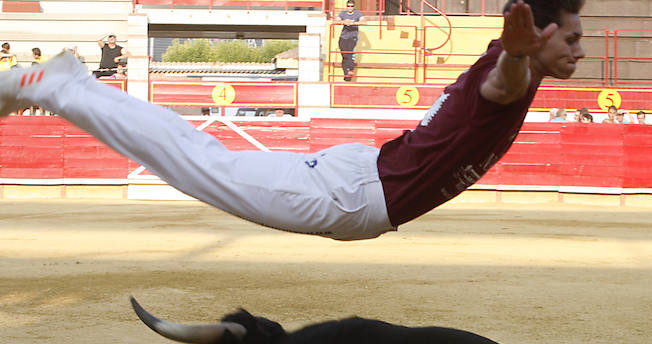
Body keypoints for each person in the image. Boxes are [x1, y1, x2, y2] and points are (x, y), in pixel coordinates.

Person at [0, 0, 585, 241]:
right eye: (574, 39)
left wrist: (516, 55)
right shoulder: (511, 71)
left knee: (196, 161)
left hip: (361, 180)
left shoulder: (516, 68)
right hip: (354, 196)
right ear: (541, 35)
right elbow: (500, 85)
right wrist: (516, 53)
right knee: (194, 163)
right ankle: (62, 89)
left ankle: (68, 88)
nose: (581, 53)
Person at [336, 0, 364, 81]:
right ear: (346, 6)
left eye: (351, 6)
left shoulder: (357, 13)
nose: (350, 8)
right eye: (348, 6)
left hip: (352, 37)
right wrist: (343, 22)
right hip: (343, 37)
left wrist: (353, 23)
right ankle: (346, 73)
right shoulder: (343, 13)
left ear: (354, 7)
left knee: (350, 55)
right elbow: (335, 20)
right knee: (344, 56)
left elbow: (364, 21)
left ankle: (349, 72)